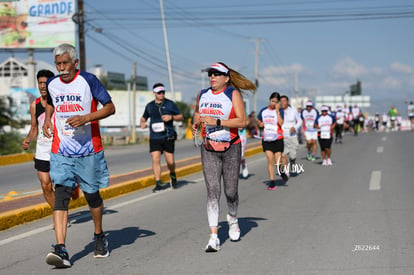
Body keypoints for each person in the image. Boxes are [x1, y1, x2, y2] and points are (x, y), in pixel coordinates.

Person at [42, 43, 115, 268]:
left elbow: (110, 107)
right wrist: (47, 120)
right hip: (61, 149)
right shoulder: (53, 83)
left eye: (65, 63)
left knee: (92, 196)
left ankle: (99, 235)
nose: (61, 68)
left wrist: (86, 118)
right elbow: (51, 105)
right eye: (58, 64)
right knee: (61, 194)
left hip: (89, 150)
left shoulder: (89, 80)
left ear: (75, 63)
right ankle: (61, 248)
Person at [192, 62, 255, 252]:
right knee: (213, 191)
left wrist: (217, 121)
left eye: (217, 74)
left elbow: (243, 121)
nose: (212, 77)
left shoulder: (232, 94)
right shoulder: (202, 94)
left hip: (231, 148)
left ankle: (233, 219)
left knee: (231, 192)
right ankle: (213, 237)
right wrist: (195, 124)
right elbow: (197, 113)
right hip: (209, 147)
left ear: (226, 78)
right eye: (210, 74)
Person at [22, 70, 80, 212]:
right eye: (40, 83)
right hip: (42, 151)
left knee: (63, 185)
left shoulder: (59, 102)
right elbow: (34, 128)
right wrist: (28, 139)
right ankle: (59, 215)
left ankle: (74, 185)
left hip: (59, 150)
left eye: (45, 83)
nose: (42, 86)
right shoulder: (34, 105)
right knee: (46, 186)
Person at [140, 83, 183, 192]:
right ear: (154, 93)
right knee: (155, 160)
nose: (161, 94)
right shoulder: (149, 106)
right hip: (154, 137)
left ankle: (173, 175)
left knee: (170, 162)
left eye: (163, 92)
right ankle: (158, 182)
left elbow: (181, 117)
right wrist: (142, 123)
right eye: (159, 92)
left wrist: (171, 117)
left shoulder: (170, 104)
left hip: (168, 136)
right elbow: (143, 118)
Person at [257, 92, 287, 190]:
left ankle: (282, 172)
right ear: (269, 100)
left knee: (278, 162)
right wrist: (260, 123)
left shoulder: (280, 111)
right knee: (270, 160)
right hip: (266, 138)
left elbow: (281, 123)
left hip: (278, 138)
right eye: (272, 101)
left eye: (276, 102)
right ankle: (272, 182)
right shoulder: (263, 110)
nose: (273, 103)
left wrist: (277, 112)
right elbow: (258, 120)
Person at [280, 95, 302, 176]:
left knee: (292, 156)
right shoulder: (278, 111)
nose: (282, 103)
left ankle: (292, 162)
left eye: (284, 101)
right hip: (282, 136)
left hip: (292, 136)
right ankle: (286, 172)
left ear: (287, 102)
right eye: (281, 101)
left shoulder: (293, 111)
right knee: (283, 155)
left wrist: (295, 127)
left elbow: (299, 121)